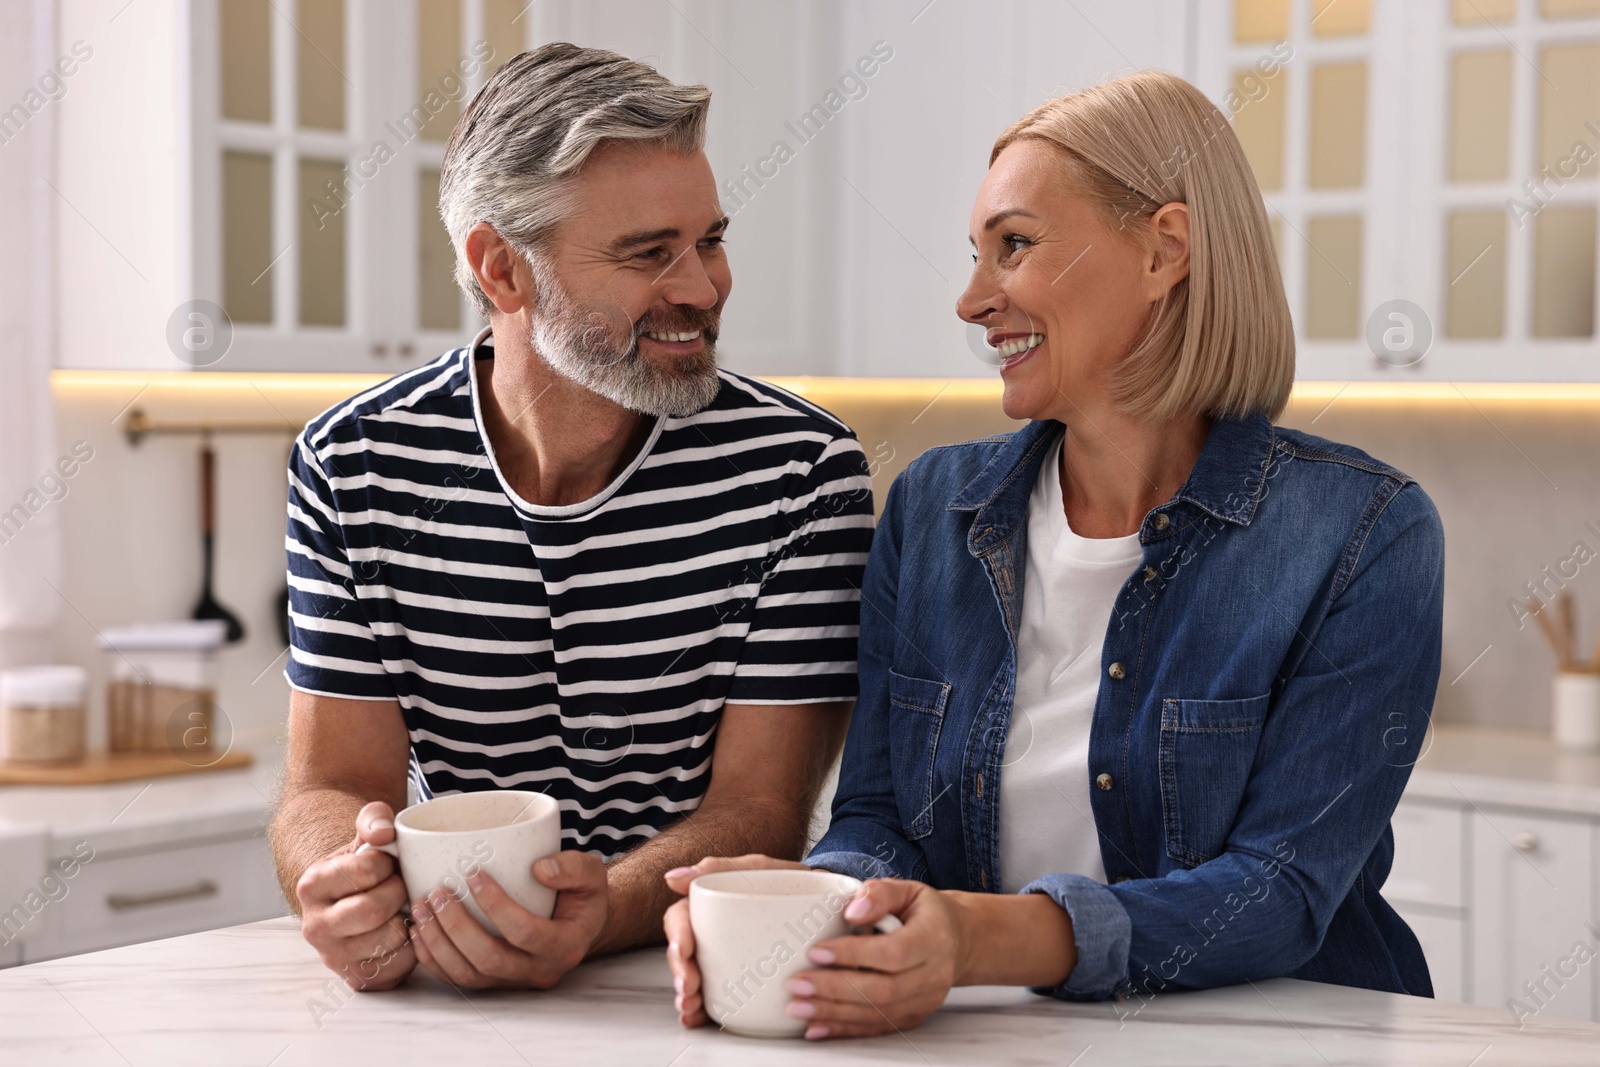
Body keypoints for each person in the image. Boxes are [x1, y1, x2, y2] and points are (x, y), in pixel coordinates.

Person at [663, 69, 1444, 1040]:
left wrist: (979, 935)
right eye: (975, 254)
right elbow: (875, 814)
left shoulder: (1362, 532)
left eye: (1015, 246)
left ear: (1164, 250)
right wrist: (821, 901)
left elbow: (1280, 891)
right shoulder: (934, 506)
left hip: (1280, 1036)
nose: (970, 299)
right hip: (1000, 1036)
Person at [270, 43, 873, 993]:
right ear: (501, 269)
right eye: (648, 254)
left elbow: (763, 807)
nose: (702, 288)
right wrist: (336, 875)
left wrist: (599, 912)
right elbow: (331, 786)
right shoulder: (354, 467)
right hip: (442, 983)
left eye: (710, 239)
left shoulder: (799, 473)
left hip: (677, 978)